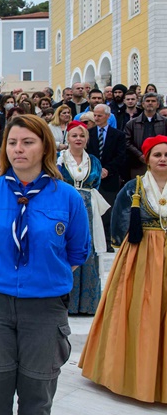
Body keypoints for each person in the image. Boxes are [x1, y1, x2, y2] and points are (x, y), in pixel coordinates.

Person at [0, 114, 90, 415]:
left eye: (28, 142)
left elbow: (77, 254)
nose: (18, 149)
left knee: (37, 398)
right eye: (12, 143)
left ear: (45, 146)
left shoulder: (69, 199)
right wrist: (0, 274)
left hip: (44, 310)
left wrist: (38, 279)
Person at [80, 135, 167, 403]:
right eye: (157, 155)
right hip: (140, 255)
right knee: (138, 307)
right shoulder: (134, 186)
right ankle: (128, 372)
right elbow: (119, 220)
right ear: (147, 159)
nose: (163, 159)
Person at [57, 121, 107, 315]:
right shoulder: (59, 159)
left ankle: (88, 303)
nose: (78, 139)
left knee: (89, 248)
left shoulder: (93, 160)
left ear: (86, 139)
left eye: (82, 136)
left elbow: (96, 183)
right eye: (74, 135)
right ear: (67, 138)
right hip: (66, 205)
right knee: (67, 247)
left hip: (88, 206)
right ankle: (67, 301)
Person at [87, 104, 128, 250]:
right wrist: (97, 170)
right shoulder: (89, 133)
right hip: (93, 177)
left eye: (99, 115)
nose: (96, 118)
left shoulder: (118, 135)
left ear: (107, 116)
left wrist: (107, 170)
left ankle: (109, 240)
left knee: (109, 209)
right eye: (95, 115)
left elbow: (121, 156)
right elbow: (87, 155)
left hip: (110, 178)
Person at [125, 92, 167, 177]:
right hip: (138, 164)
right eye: (147, 101)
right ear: (143, 104)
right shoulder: (132, 123)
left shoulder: (165, 122)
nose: (150, 103)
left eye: (153, 101)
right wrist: (140, 155)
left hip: (160, 163)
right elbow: (127, 142)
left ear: (158, 104)